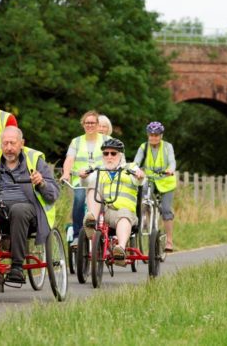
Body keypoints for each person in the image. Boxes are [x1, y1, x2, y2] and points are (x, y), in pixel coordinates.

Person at [0, 127, 59, 283]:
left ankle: (17, 266)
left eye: (13, 143)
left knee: (18, 209)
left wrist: (41, 183)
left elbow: (53, 194)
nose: (9, 148)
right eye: (5, 143)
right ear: (0, 145)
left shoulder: (35, 159)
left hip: (28, 211)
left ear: (21, 143)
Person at [87, 138, 145, 266]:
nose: (109, 157)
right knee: (93, 185)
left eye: (113, 153)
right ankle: (91, 221)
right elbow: (85, 182)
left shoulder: (130, 167)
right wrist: (84, 176)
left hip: (125, 213)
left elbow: (139, 180)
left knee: (123, 215)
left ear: (121, 155)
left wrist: (139, 175)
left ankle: (121, 250)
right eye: (106, 153)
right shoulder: (100, 170)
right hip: (106, 213)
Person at [60, 111, 111, 247]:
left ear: (97, 124)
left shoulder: (106, 140)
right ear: (83, 125)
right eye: (87, 123)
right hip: (80, 180)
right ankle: (77, 235)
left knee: (105, 203)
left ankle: (103, 231)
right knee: (78, 199)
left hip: (101, 180)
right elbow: (69, 159)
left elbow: (113, 159)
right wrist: (66, 173)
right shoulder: (76, 141)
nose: (90, 125)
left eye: (92, 123)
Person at [133, 121, 177, 252]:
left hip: (166, 181)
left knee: (166, 209)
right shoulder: (143, 147)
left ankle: (169, 241)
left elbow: (172, 161)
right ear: (148, 135)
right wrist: (137, 170)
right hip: (149, 179)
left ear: (161, 136)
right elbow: (136, 162)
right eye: (151, 135)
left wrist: (170, 169)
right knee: (144, 199)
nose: (153, 137)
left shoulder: (167, 147)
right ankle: (145, 219)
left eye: (156, 135)